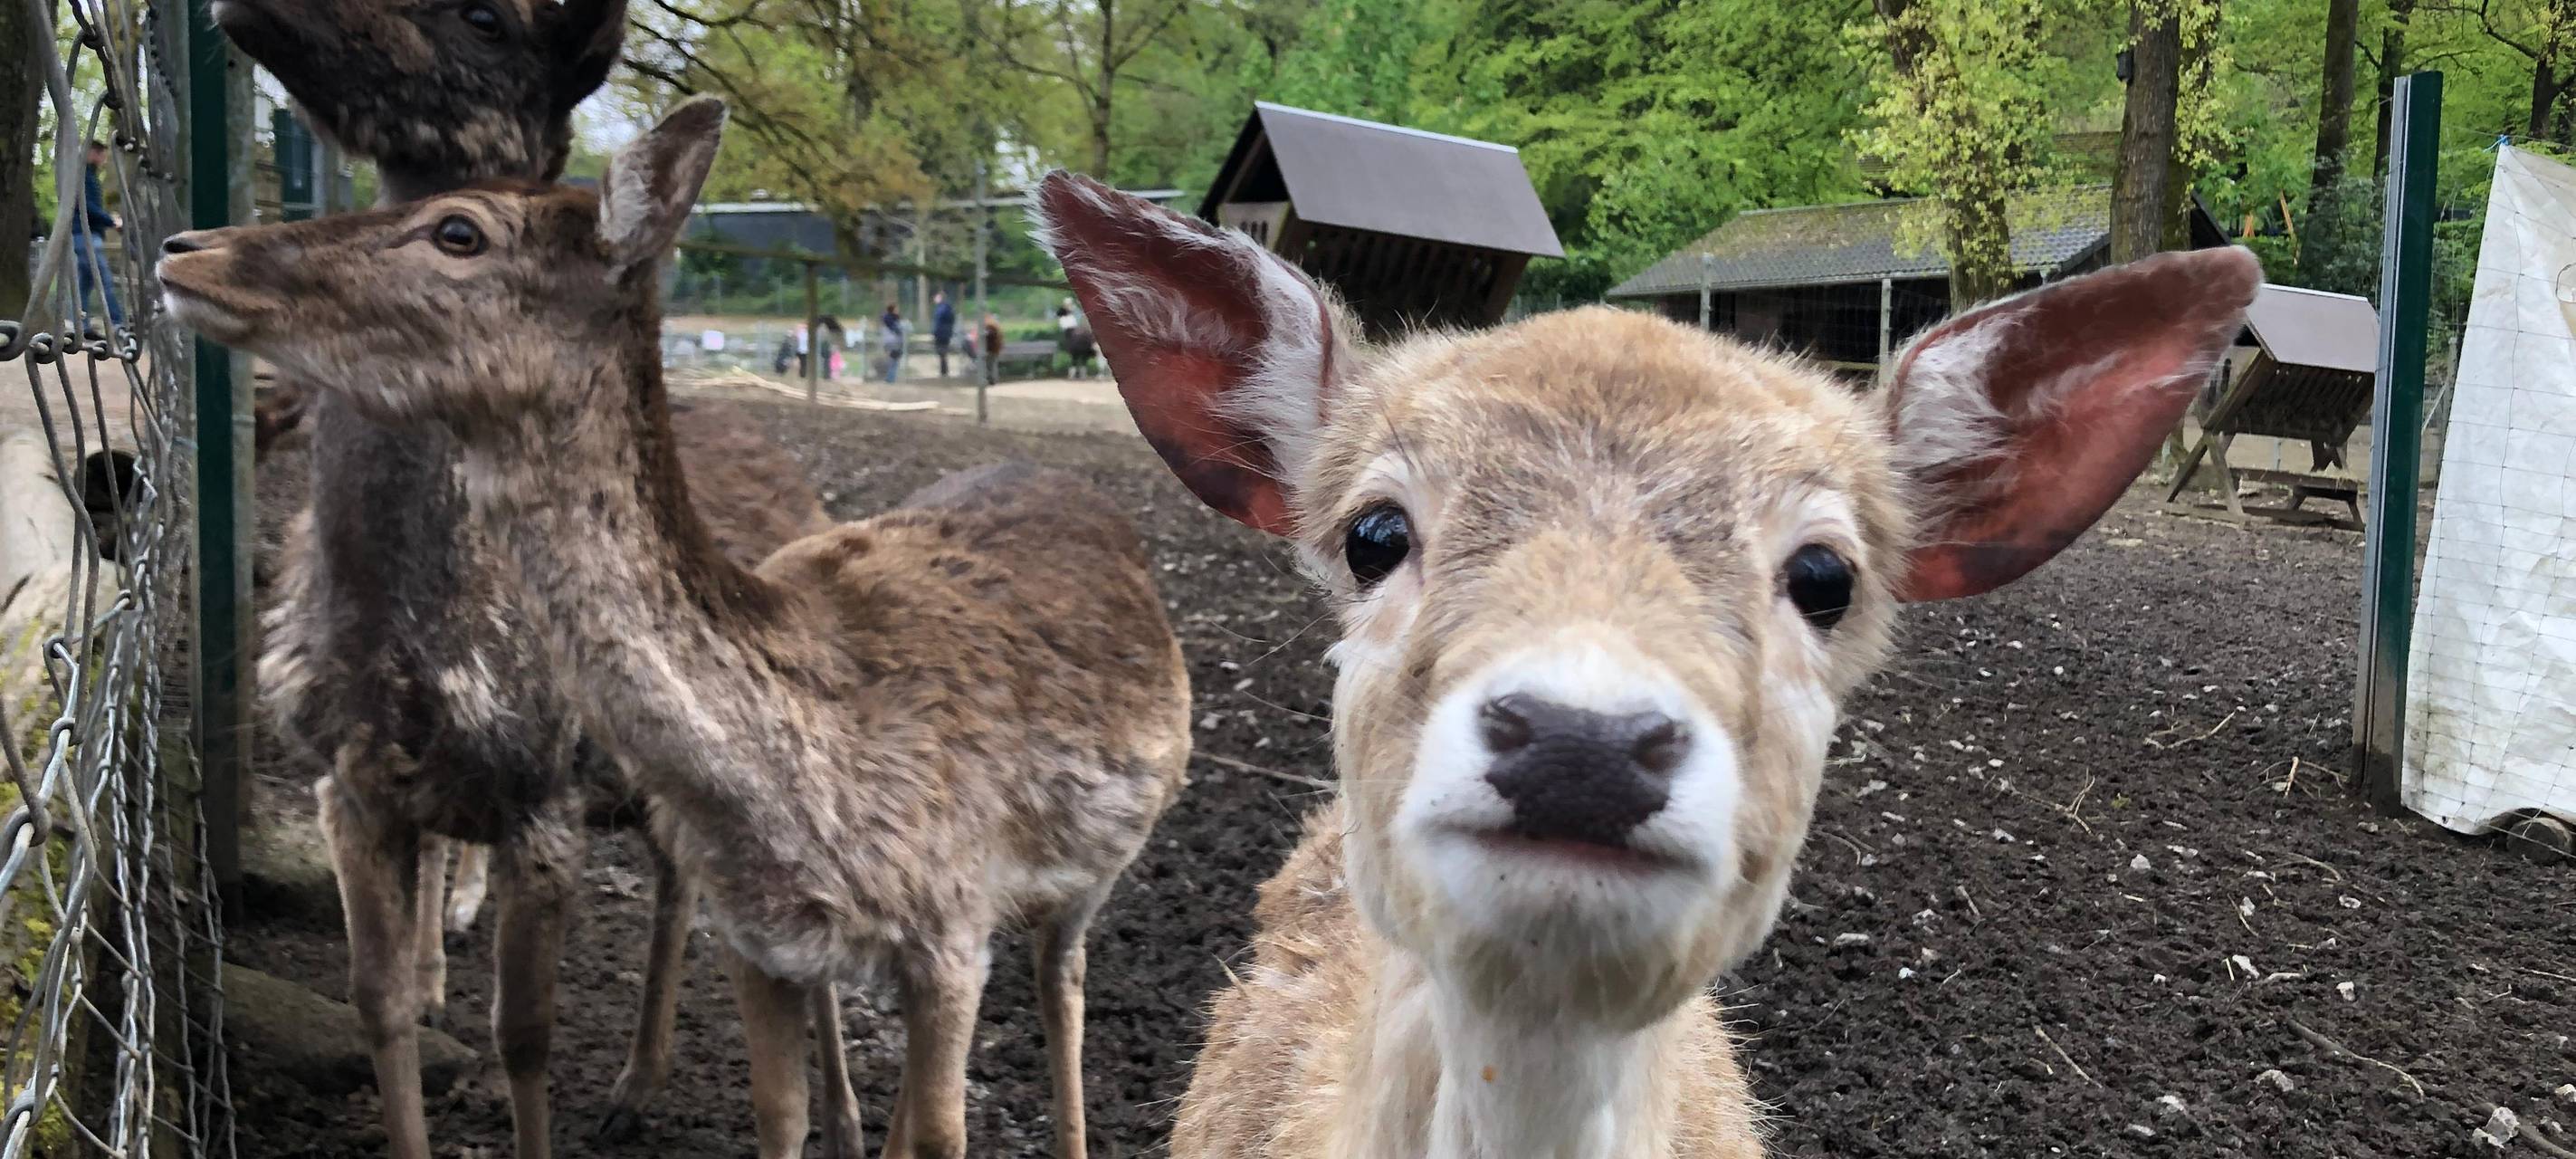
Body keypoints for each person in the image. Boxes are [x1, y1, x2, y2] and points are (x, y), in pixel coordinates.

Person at [73, 140, 125, 336]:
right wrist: (112, 221)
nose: (104, 159)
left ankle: (82, 326)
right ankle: (117, 324)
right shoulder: (84, 175)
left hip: (86, 235)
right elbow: (86, 207)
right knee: (104, 280)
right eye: (102, 155)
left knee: (85, 284)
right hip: (85, 236)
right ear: (93, 153)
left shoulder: (88, 175)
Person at [931, 290, 957, 378]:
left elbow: (939, 322)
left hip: (941, 333)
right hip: (945, 332)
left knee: (941, 352)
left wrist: (935, 331)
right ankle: (944, 370)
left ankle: (944, 371)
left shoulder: (942, 308)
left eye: (937, 297)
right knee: (942, 352)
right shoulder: (947, 308)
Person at [880, 302, 907, 384]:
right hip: (894, 343)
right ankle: (890, 379)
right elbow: (897, 330)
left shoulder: (889, 319)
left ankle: (890, 378)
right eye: (896, 309)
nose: (898, 311)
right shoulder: (892, 320)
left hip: (891, 342)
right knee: (894, 361)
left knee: (893, 361)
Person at [980, 312, 1004, 387]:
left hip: (991, 350)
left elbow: (989, 334)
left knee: (990, 365)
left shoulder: (991, 326)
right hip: (994, 349)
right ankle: (992, 380)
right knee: (991, 365)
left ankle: (991, 380)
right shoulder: (995, 326)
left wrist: (983, 333)